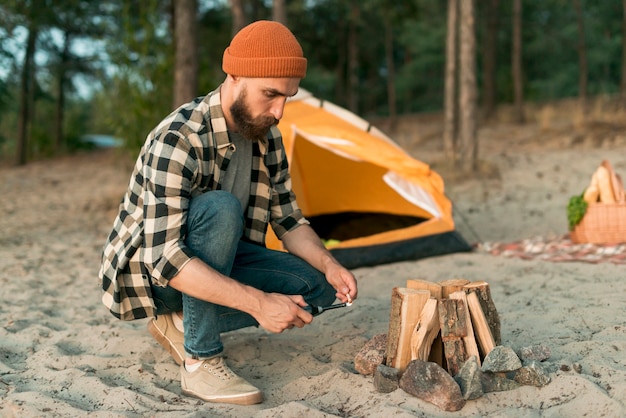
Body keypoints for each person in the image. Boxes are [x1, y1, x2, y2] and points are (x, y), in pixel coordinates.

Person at [98, 20, 358, 406]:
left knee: (317, 288)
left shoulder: (268, 137)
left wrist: (329, 263)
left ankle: (185, 324)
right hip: (154, 275)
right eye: (270, 94)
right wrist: (258, 303)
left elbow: (287, 219)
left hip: (223, 258)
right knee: (220, 207)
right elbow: (165, 257)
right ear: (233, 75)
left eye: (287, 97)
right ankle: (200, 360)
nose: (279, 111)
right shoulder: (179, 137)